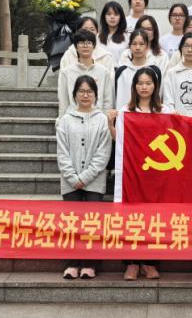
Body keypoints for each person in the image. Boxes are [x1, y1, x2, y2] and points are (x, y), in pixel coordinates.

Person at [108, 67, 167, 280]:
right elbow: (119, 140)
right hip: (132, 174)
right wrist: (111, 123)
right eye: (140, 83)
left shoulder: (164, 111)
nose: (144, 87)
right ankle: (131, 263)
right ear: (134, 86)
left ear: (155, 86)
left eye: (148, 83)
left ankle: (150, 263)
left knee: (154, 219)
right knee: (131, 218)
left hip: (155, 174)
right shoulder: (126, 110)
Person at [56, 75, 112, 280]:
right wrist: (72, 176)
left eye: (89, 92)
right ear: (74, 95)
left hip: (94, 181)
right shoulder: (65, 120)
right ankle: (72, 264)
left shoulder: (102, 120)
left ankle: (90, 264)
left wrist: (86, 176)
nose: (85, 95)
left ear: (96, 95)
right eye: (81, 91)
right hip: (69, 181)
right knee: (72, 224)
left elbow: (103, 153)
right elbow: (62, 152)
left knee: (91, 223)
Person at [57, 29, 113, 116]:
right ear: (76, 47)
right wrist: (62, 120)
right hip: (73, 118)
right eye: (81, 43)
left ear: (94, 46)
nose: (85, 46)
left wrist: (106, 121)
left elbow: (107, 101)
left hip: (97, 119)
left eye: (89, 43)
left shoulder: (104, 72)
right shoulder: (66, 72)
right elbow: (63, 101)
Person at [163, 33, 192, 115]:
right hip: (178, 119)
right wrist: (173, 114)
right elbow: (168, 100)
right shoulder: (171, 73)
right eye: (186, 46)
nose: (190, 50)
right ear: (181, 48)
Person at [113, 29, 161, 110]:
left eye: (141, 44)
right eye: (134, 44)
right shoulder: (121, 71)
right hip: (125, 115)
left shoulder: (155, 71)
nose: (137, 47)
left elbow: (157, 96)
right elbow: (116, 97)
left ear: (147, 47)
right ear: (130, 46)